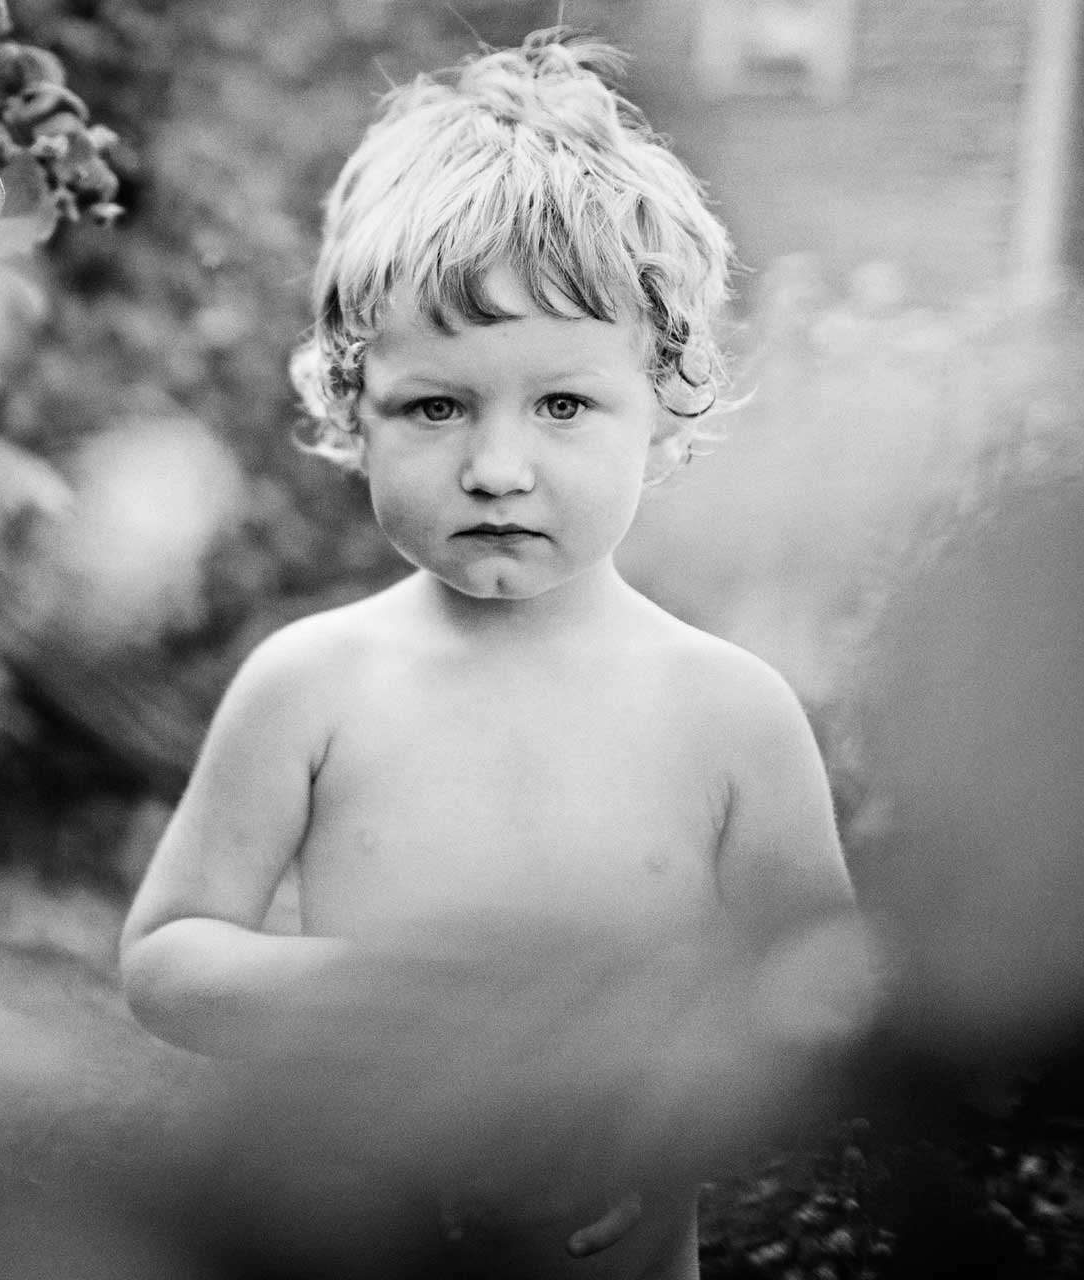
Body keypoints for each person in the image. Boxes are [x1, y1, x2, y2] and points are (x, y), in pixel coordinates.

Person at [119, 30, 866, 1279]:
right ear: (352, 412)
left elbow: (824, 994)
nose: (497, 466)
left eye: (563, 404)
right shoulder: (313, 684)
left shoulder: (728, 711)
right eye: (436, 405)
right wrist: (359, 1002)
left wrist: (663, 1114)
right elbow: (165, 957)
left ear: (664, 409)